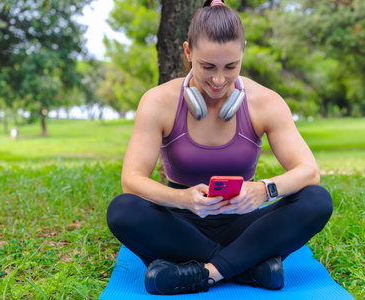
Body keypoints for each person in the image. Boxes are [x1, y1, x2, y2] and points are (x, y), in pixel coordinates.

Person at [107, 0, 333, 295]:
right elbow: (132, 180)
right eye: (207, 66)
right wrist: (183, 199)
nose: (218, 80)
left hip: (244, 223)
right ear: (188, 52)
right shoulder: (157, 101)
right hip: (180, 223)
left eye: (230, 67)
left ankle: (203, 272)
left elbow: (308, 171)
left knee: (317, 200)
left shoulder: (265, 102)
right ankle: (250, 267)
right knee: (122, 210)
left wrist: (263, 190)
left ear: (243, 53)